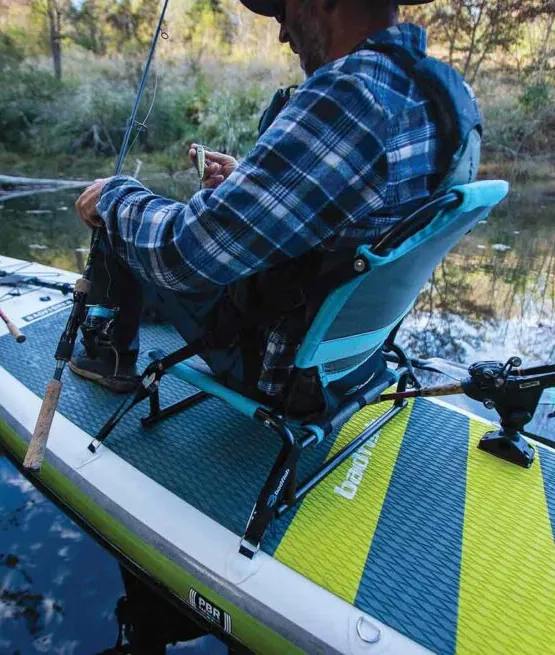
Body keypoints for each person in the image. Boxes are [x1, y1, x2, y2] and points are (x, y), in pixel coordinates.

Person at [72, 0, 480, 415]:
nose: (283, 34)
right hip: (350, 362)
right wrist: (246, 179)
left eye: (283, 12)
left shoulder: (351, 93)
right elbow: (365, 212)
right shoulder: (448, 95)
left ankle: (108, 358)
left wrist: (114, 195)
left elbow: (184, 255)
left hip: (276, 368)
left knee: (123, 215)